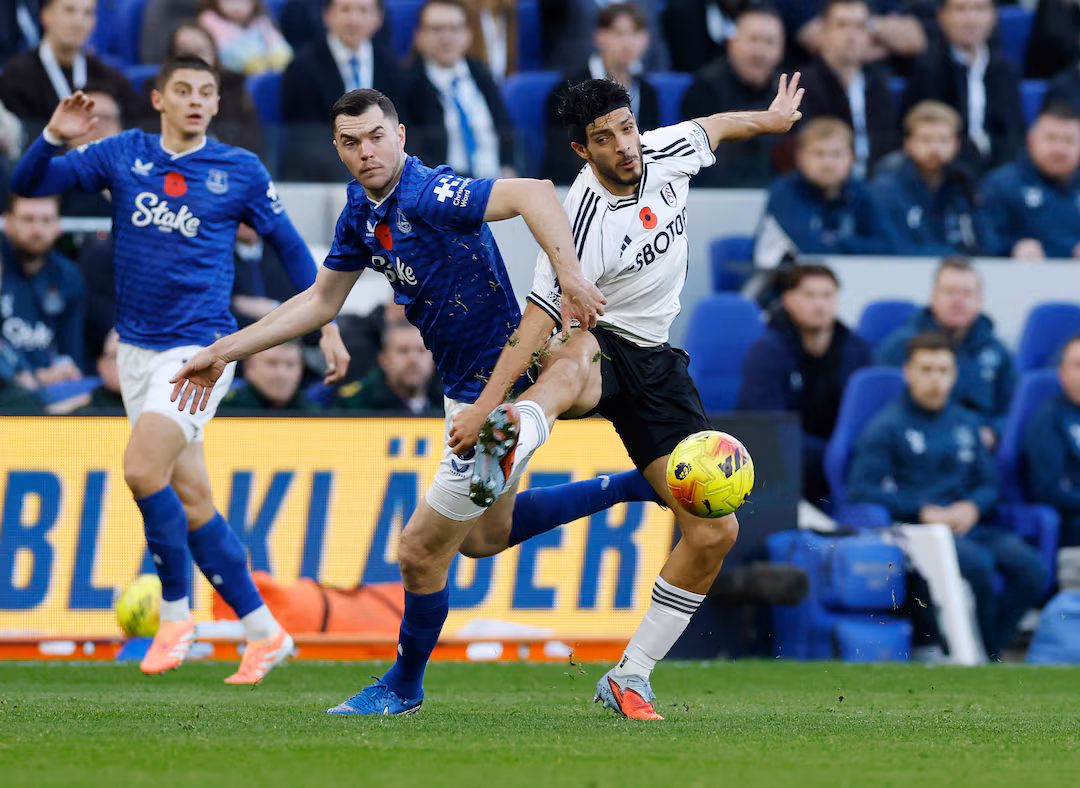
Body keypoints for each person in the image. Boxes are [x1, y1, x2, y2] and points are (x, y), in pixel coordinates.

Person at [169, 88, 666, 718]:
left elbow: (538, 191)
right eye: (351, 142)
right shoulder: (361, 209)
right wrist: (224, 351)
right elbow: (322, 302)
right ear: (338, 150)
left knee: (417, 552)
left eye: (377, 136)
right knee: (485, 536)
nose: (366, 151)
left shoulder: (431, 193)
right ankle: (628, 485)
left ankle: (403, 685)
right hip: (464, 388)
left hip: (500, 395)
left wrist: (567, 273)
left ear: (400, 135)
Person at [452, 75, 804, 719]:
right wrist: (483, 408)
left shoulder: (666, 149)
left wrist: (772, 119)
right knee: (575, 355)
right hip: (598, 341)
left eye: (627, 128)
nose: (625, 146)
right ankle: (518, 424)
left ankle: (630, 675)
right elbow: (537, 317)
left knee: (715, 532)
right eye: (604, 138)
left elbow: (720, 124)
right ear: (580, 151)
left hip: (659, 363)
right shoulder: (579, 221)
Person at [9, 56, 350, 683]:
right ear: (159, 98)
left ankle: (174, 616)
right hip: (136, 350)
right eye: (183, 91)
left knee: (141, 468)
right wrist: (54, 135)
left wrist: (325, 324)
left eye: (206, 93)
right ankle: (263, 630)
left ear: (217, 105)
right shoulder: (122, 154)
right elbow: (29, 183)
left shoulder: (239, 170)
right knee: (193, 501)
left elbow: (290, 249)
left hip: (199, 352)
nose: (195, 101)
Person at [847, 331, 1046, 660]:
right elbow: (861, 489)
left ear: (954, 374)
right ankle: (980, 657)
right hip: (920, 531)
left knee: (1030, 568)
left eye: (943, 370)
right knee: (978, 566)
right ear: (908, 373)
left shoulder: (966, 422)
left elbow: (989, 484)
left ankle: (990, 650)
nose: (935, 380)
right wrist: (922, 511)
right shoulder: (887, 425)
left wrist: (973, 506)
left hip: (970, 524)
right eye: (926, 370)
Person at [735, 264, 871, 508]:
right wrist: (831, 455)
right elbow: (767, 429)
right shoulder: (766, 352)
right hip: (780, 468)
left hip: (839, 463)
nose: (819, 305)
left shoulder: (857, 350)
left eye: (827, 295)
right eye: (809, 295)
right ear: (788, 299)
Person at [876, 257, 1013, 447]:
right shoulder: (900, 346)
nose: (958, 301)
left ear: (980, 301)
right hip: (916, 445)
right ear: (933, 297)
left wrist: (994, 432)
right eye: (950, 292)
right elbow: (882, 406)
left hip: (977, 448)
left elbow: (1012, 409)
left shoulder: (998, 352)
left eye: (966, 293)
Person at [281, 0, 401, 181]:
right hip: (322, 177)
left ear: (378, 19)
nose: (353, 19)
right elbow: (305, 136)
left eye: (363, 10)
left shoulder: (391, 66)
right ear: (327, 16)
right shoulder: (302, 67)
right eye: (345, 10)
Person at [902, 0, 1024, 175]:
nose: (970, 18)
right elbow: (917, 128)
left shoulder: (1006, 71)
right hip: (945, 170)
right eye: (960, 9)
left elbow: (1014, 132)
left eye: (979, 9)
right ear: (942, 17)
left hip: (1000, 171)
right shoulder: (927, 70)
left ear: (993, 17)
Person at [543, 2, 659, 185]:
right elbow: (564, 156)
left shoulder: (648, 92)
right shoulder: (568, 89)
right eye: (619, 33)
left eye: (635, 33)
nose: (627, 42)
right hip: (581, 187)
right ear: (599, 36)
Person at [754, 117, 892, 265]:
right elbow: (805, 246)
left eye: (837, 154)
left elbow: (884, 247)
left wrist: (833, 240)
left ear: (851, 157)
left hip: (853, 279)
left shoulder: (862, 192)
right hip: (791, 281)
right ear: (800, 157)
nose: (828, 163)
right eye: (819, 154)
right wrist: (851, 246)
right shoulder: (784, 191)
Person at [401, 0, 515, 179]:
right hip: (441, 187)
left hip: (495, 183)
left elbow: (507, 132)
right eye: (436, 29)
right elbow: (411, 152)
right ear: (419, 36)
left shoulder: (482, 75)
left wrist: (509, 167)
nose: (446, 38)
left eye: (454, 29)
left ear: (467, 35)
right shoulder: (407, 85)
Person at [680, 4, 786, 188]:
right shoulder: (704, 89)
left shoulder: (787, 93)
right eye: (753, 40)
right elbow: (698, 161)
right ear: (732, 43)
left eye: (769, 42)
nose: (759, 52)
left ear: (781, 50)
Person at [796, 0, 898, 179]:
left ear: (868, 35)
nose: (851, 35)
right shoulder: (802, 87)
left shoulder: (879, 86)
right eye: (841, 25)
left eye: (859, 26)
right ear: (824, 32)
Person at [871, 100, 986, 256]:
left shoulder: (966, 185)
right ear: (908, 144)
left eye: (943, 140)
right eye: (925, 140)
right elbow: (892, 246)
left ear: (957, 144)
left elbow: (984, 243)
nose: (935, 149)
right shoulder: (884, 190)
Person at [0, 0, 138, 129]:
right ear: (45, 15)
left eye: (88, 13)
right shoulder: (18, 76)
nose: (78, 22)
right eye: (69, 11)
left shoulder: (108, 77)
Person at [141, 22, 264, 156]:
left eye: (201, 51)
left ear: (214, 55)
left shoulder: (234, 88)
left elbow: (251, 144)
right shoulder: (157, 93)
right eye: (186, 53)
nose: (195, 59)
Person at [0, 194, 85, 385]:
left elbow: (71, 355)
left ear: (58, 225)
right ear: (8, 222)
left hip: (49, 398)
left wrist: (58, 374)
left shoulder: (68, 276)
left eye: (46, 220)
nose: (37, 230)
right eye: (28, 219)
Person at [979, 103, 1080, 261]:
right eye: (1051, 138)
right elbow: (983, 240)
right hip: (1015, 281)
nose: (1060, 149)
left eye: (1069, 141)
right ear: (1030, 140)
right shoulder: (1001, 184)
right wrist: (1012, 248)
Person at [1024, 334, 1080, 549]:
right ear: (1062, 374)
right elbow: (1048, 489)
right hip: (1071, 522)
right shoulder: (1048, 419)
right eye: (1078, 365)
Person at [334, 319, 441, 413]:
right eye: (403, 351)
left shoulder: (450, 405)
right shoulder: (353, 407)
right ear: (384, 360)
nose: (413, 359)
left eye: (421, 351)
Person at [197, 0, 293, 76]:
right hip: (232, 76)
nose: (236, 7)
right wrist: (250, 61)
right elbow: (224, 50)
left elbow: (275, 40)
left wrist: (279, 55)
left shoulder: (261, 20)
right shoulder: (211, 20)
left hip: (266, 69)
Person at [220, 341, 319, 412]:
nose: (281, 374)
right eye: (271, 363)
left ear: (301, 370)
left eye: (290, 364)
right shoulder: (225, 412)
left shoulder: (317, 414)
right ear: (249, 367)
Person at [1024, 0, 1080, 81]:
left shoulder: (1074, 10)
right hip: (1048, 75)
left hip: (1069, 73)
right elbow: (1057, 41)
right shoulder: (1048, 6)